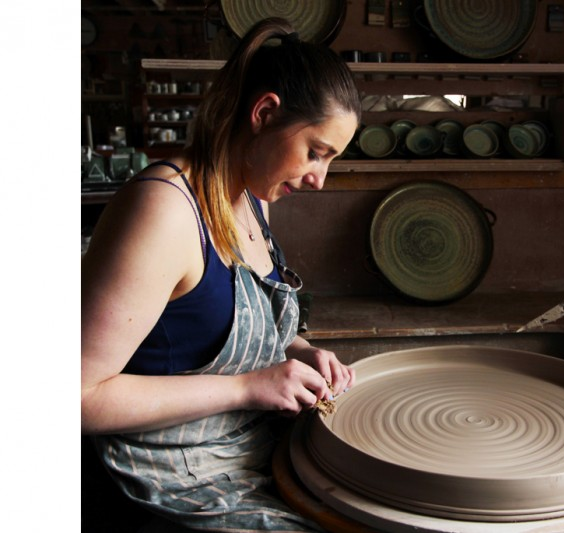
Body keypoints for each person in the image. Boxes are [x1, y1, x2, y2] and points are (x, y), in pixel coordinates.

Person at [81, 17, 360, 532]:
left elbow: (213, 328)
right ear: (264, 113)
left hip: (248, 449)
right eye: (316, 153)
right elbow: (76, 396)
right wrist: (248, 388)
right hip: (175, 475)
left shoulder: (253, 196)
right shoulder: (163, 211)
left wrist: (299, 350)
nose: (320, 178)